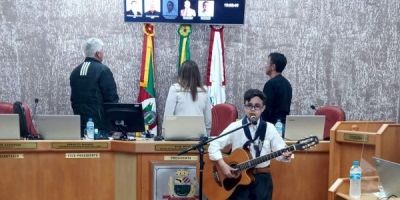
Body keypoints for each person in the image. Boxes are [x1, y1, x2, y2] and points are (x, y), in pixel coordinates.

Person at [208, 89, 291, 200]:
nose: (253, 110)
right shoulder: (235, 126)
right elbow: (213, 145)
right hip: (238, 179)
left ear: (263, 108)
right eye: (249, 106)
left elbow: (281, 150)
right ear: (245, 107)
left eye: (257, 106)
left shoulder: (270, 128)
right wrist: (223, 166)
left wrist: (286, 155)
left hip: (262, 180)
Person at [70, 38, 119, 137]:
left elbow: (74, 100)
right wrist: (113, 125)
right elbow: (111, 100)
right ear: (98, 54)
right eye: (102, 51)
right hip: (100, 128)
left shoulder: (75, 72)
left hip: (79, 128)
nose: (103, 54)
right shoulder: (103, 70)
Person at [164, 60, 212, 135]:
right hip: (200, 136)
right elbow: (208, 119)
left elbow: (168, 116)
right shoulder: (205, 90)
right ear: (197, 74)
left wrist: (164, 135)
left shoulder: (174, 89)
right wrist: (207, 137)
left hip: (178, 135)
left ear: (181, 74)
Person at [261, 52, 292, 133]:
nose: (265, 65)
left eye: (267, 63)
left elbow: (266, 110)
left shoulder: (270, 84)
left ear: (273, 66)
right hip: (284, 127)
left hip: (271, 128)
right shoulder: (287, 84)